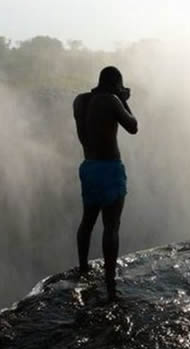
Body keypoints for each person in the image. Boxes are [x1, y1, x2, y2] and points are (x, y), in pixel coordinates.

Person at [73, 66, 138, 300]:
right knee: (111, 226)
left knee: (87, 220)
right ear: (116, 84)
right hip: (109, 167)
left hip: (88, 166)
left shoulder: (79, 100)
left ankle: (83, 268)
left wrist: (117, 95)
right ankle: (110, 283)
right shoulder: (111, 100)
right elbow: (133, 127)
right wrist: (123, 100)